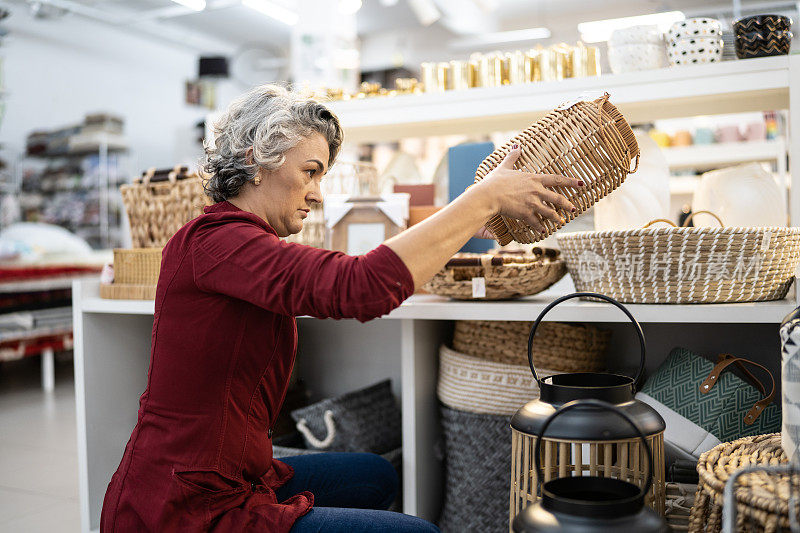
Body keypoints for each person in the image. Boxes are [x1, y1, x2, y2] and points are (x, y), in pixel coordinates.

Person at [100, 84, 581, 532]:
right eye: (310, 172)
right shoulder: (218, 243)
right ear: (256, 159)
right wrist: (482, 200)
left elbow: (349, 277)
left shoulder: (237, 241)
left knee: (374, 475)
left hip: (234, 472)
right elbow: (362, 286)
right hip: (186, 503)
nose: (317, 192)